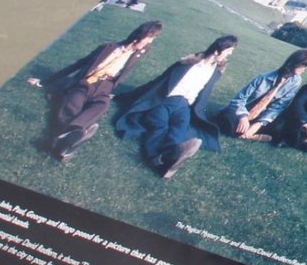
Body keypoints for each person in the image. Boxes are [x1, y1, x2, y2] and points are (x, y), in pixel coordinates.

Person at [27, 20, 163, 161]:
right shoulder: (107, 48)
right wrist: (43, 82)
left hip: (105, 87)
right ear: (139, 36)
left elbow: (141, 49)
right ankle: (72, 138)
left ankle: (69, 136)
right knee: (73, 103)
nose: (150, 42)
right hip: (86, 82)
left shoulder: (142, 51)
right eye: (150, 37)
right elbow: (78, 64)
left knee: (101, 106)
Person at [113, 35, 237, 178]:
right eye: (228, 51)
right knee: (160, 125)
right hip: (165, 100)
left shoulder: (215, 72)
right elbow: (157, 82)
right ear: (217, 51)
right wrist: (121, 96)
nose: (230, 55)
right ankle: (159, 157)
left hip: (184, 105)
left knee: (180, 126)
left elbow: (203, 95)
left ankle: (172, 155)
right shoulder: (188, 63)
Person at [217, 47, 307, 142]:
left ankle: (247, 132)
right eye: (306, 64)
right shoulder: (264, 77)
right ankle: (249, 136)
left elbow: (278, 107)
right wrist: (243, 117)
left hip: (260, 116)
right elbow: (239, 99)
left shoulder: (296, 81)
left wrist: (258, 124)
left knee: (279, 128)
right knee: (227, 120)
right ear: (296, 61)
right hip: (242, 112)